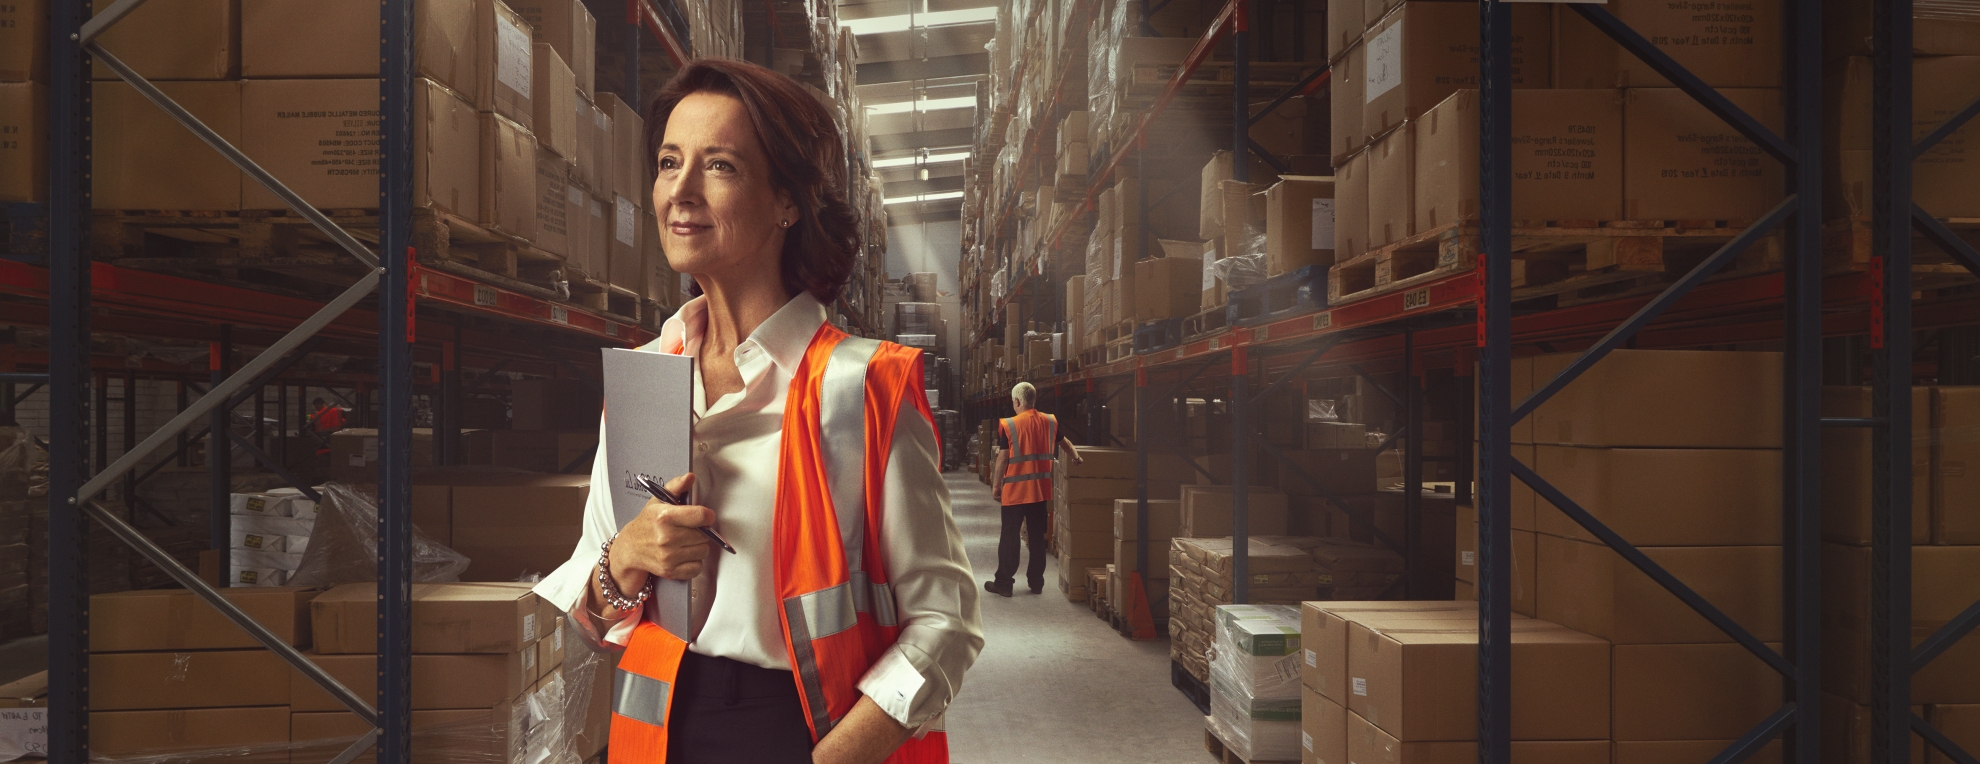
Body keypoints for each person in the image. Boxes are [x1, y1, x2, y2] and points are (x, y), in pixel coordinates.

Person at [532, 59, 982, 764]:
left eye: (720, 166)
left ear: (787, 202)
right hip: (658, 736)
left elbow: (945, 625)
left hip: (806, 735)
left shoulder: (858, 388)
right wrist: (622, 561)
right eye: (668, 162)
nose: (679, 191)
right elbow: (595, 621)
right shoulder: (646, 379)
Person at [985, 381, 1082, 597]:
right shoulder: (1049, 421)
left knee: (1010, 537)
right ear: (1034, 401)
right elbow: (1064, 442)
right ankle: (1036, 583)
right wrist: (1075, 456)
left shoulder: (1010, 424)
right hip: (1039, 491)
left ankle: (1004, 583)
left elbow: (1002, 458)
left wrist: (995, 486)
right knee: (1037, 537)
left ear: (1018, 401)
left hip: (1015, 492)